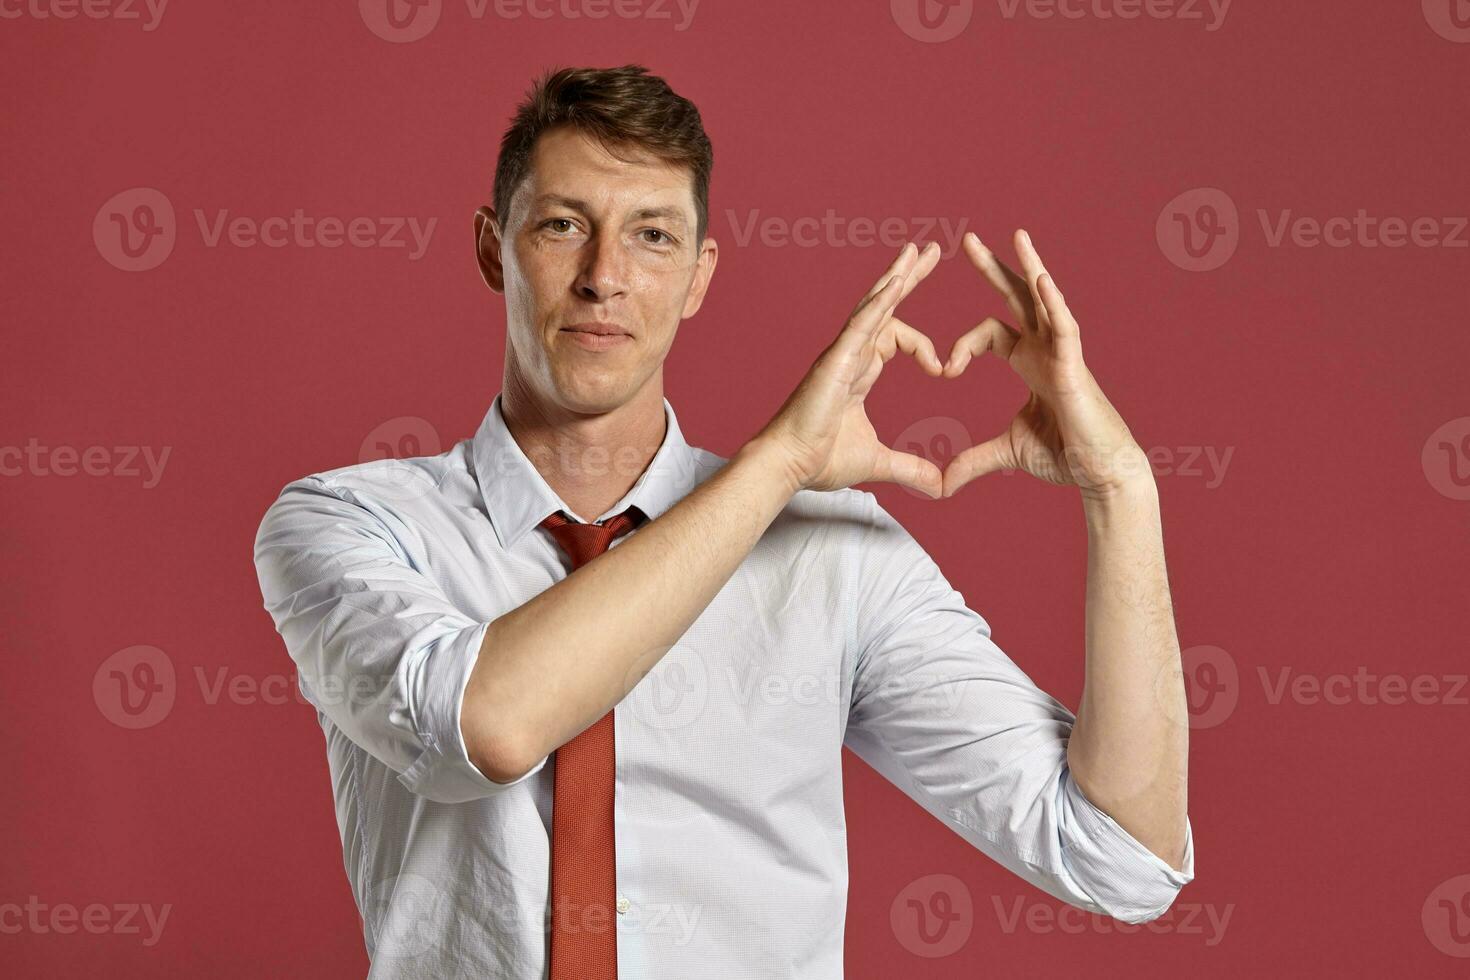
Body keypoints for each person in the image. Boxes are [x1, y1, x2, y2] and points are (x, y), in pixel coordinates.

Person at [253, 64, 1194, 980]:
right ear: (493, 245)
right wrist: (777, 461)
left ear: (700, 277)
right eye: (564, 225)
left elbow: (1119, 857)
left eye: (653, 236)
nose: (604, 277)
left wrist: (1123, 492)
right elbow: (487, 728)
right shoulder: (351, 524)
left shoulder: (834, 557)